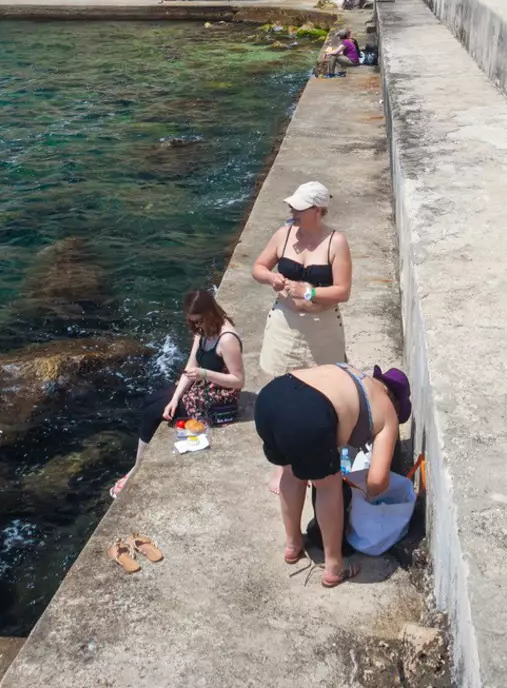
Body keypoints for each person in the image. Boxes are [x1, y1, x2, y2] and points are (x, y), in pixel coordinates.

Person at [254, 363, 410, 588]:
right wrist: (367, 496)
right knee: (329, 483)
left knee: (291, 471)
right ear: (395, 401)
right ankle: (335, 566)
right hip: (308, 413)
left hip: (271, 398)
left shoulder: (352, 373)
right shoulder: (387, 409)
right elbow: (377, 481)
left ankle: (293, 543)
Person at [114, 289, 245, 497]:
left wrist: (204, 373)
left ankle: (136, 469)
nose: (197, 325)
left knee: (152, 414)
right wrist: (175, 399)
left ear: (210, 313)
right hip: (202, 383)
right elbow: (189, 367)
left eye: (199, 320)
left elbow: (238, 381)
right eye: (193, 321)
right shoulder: (201, 332)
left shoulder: (227, 339)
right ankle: (137, 463)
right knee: (152, 401)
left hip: (218, 396)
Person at [253, 182, 352, 373]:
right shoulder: (283, 234)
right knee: (283, 385)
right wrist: (271, 278)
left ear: (317, 210)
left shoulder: (336, 242)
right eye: (292, 207)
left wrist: (307, 292)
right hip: (285, 324)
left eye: (298, 208)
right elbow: (258, 268)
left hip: (322, 327)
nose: (292, 211)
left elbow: (343, 291)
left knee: (324, 385)